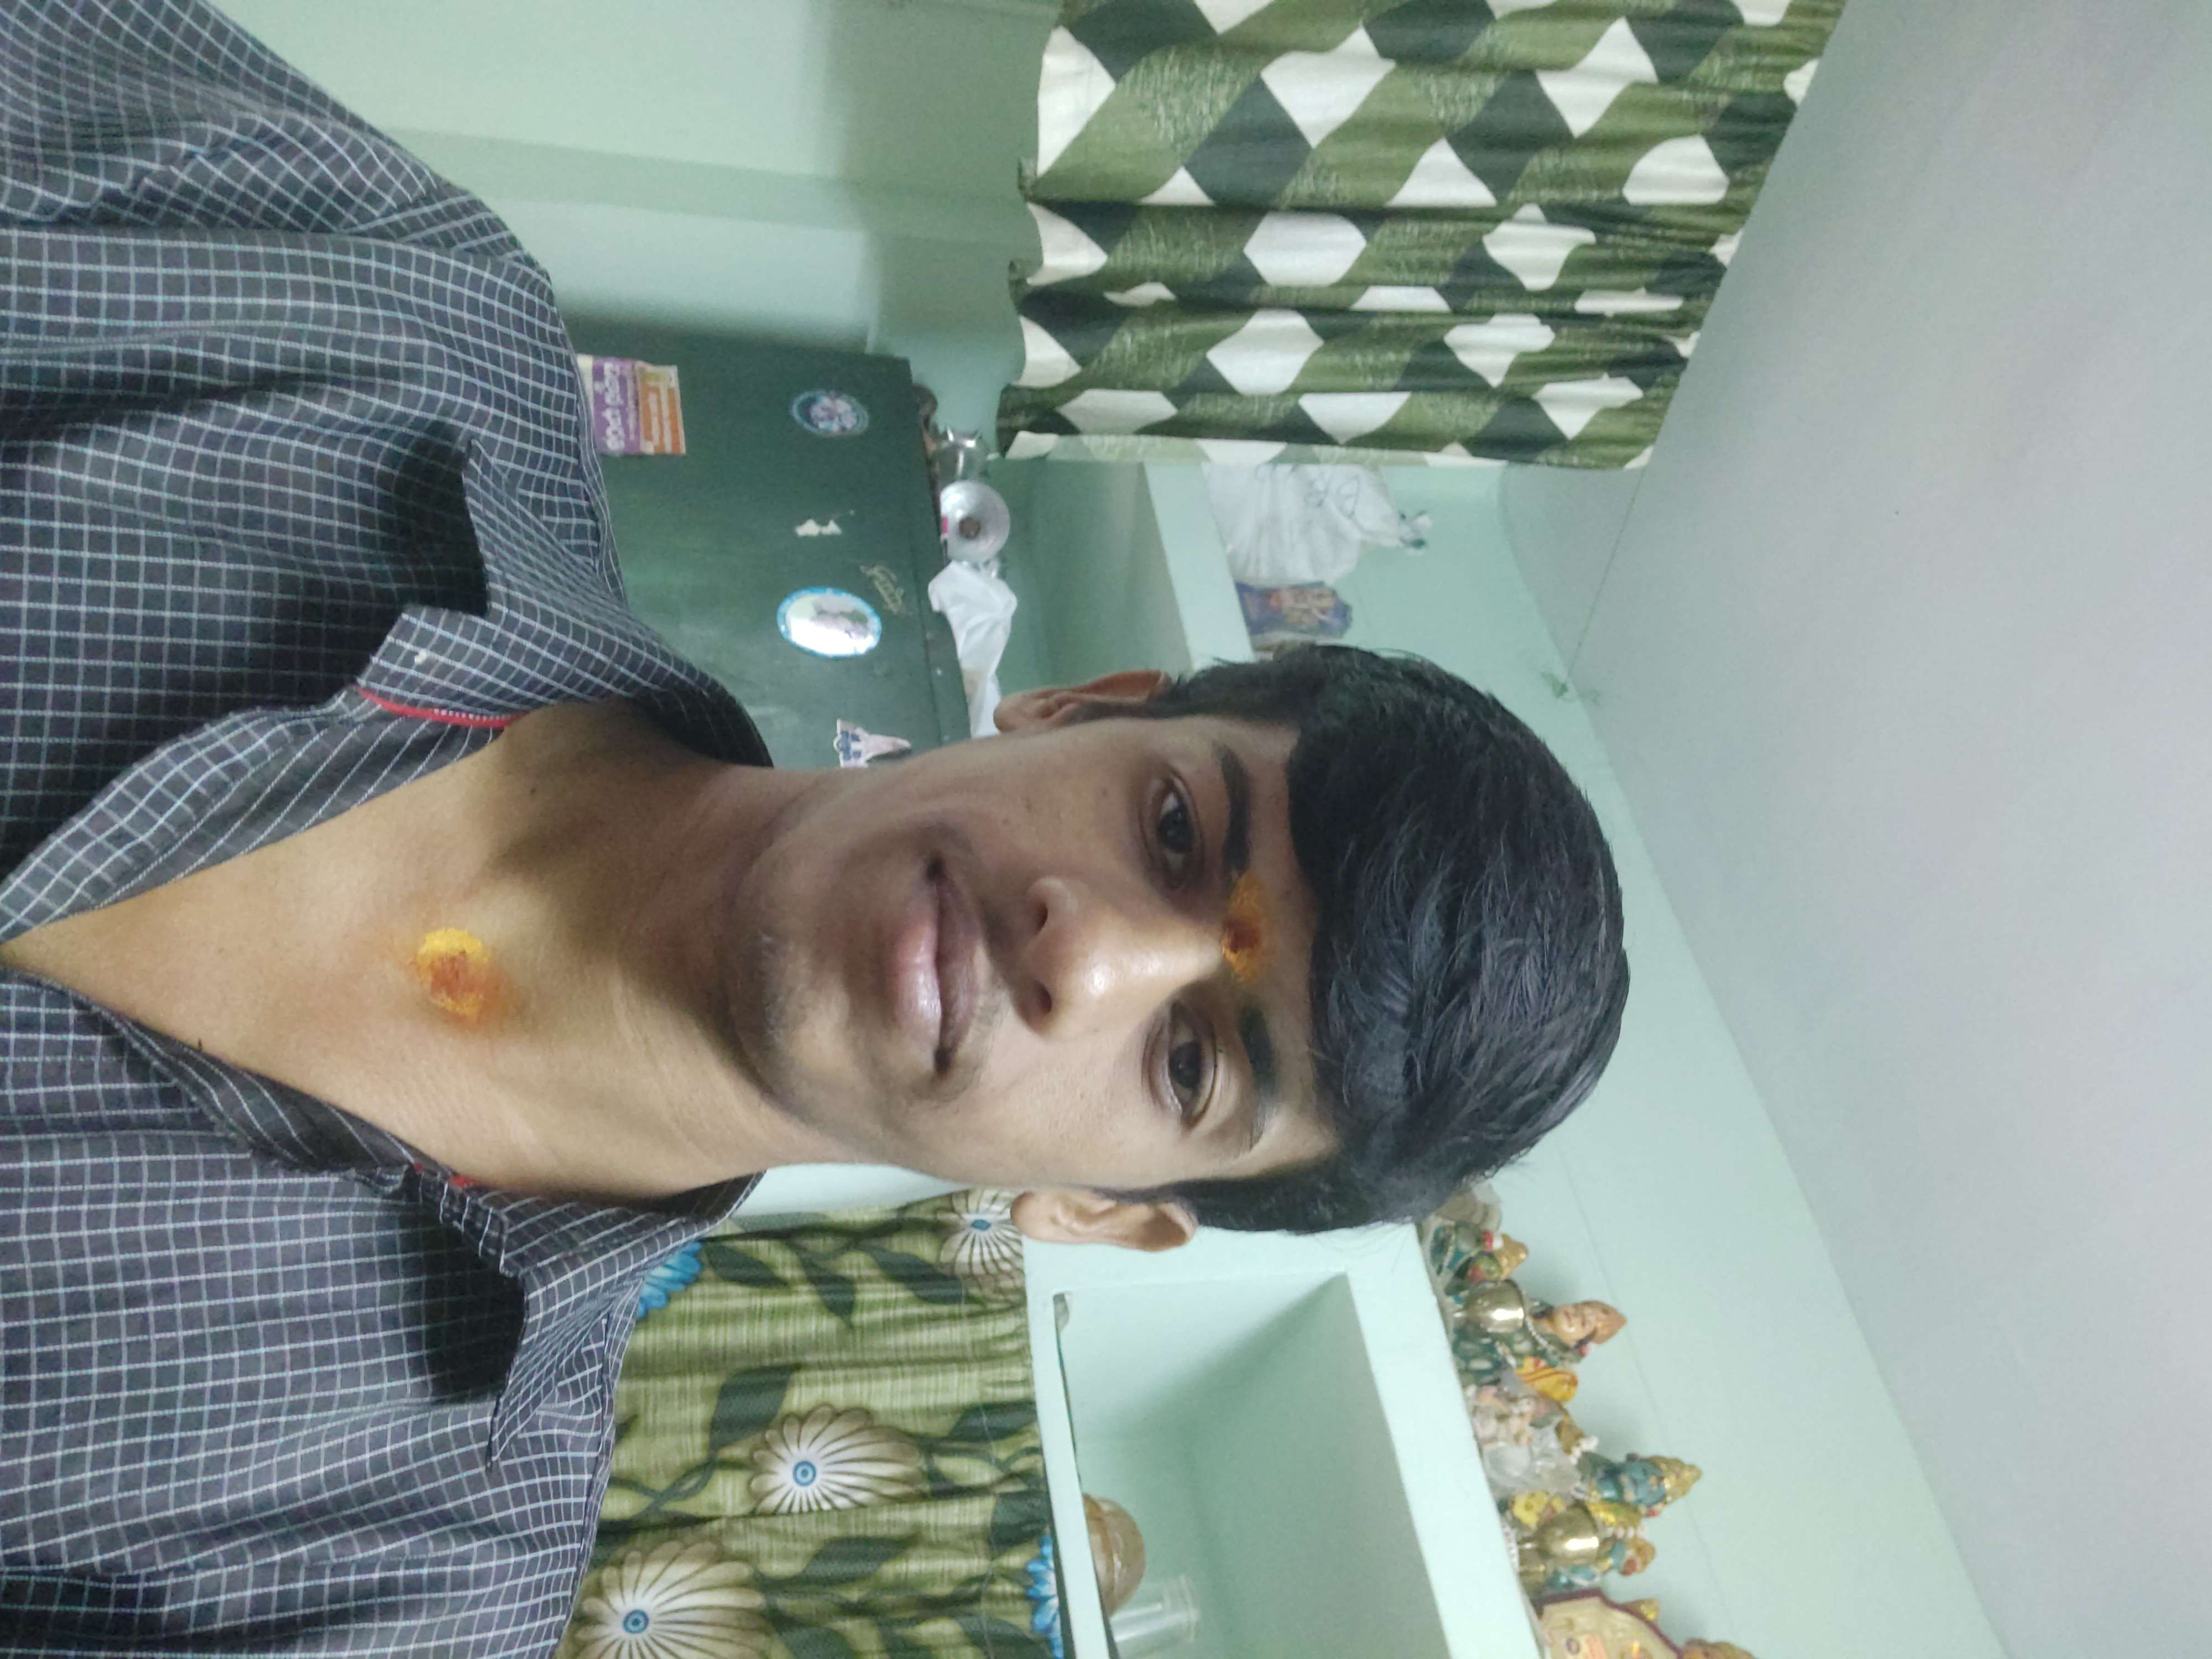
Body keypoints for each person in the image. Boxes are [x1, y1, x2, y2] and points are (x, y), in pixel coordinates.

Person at [0, 2, 1628, 1653]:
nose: (1087, 956)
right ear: (1074, 703)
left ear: (1101, 1210)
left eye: (1195, 1063)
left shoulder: (399, 1586)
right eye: (1174, 830)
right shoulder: (383, 309)